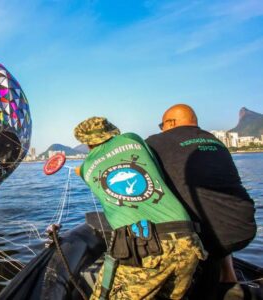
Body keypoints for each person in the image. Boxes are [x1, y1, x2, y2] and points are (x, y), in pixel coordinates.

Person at [74, 117, 206, 300]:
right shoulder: (131, 139)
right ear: (112, 129)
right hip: (187, 238)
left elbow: (87, 175)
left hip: (145, 247)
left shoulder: (87, 165)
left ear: (86, 143)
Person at [145, 104, 256, 298]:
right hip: (243, 228)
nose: (161, 129)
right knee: (213, 211)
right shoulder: (214, 140)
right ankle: (229, 278)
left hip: (205, 236)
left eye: (162, 125)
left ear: (170, 122)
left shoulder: (157, 142)